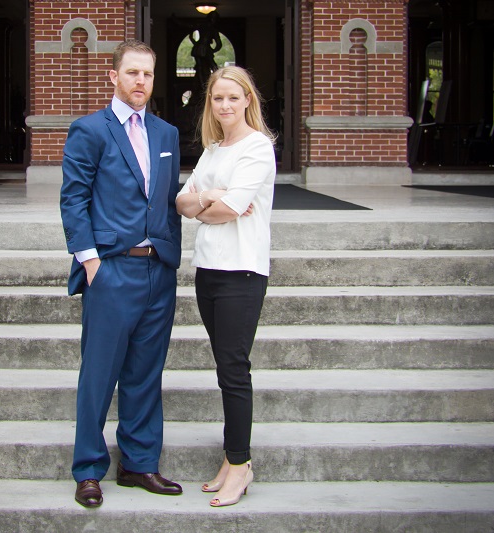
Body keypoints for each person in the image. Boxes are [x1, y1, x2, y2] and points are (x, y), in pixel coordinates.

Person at [60, 39, 183, 509]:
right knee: (99, 374)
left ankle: (138, 463)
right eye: (132, 73)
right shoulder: (90, 130)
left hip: (158, 271)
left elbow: (169, 197)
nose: (140, 82)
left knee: (145, 375)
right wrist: (90, 262)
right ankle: (89, 468)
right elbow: (73, 199)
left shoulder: (167, 134)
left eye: (148, 75)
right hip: (111, 270)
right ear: (113, 76)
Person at [175, 66, 276, 507]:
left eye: (234, 97)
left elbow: (230, 208)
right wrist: (211, 201)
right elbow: (181, 200)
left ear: (248, 100)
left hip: (243, 272)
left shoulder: (258, 148)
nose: (225, 105)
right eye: (218, 98)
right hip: (209, 270)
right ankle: (231, 459)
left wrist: (214, 201)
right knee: (223, 367)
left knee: (234, 369)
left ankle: (240, 463)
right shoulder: (214, 150)